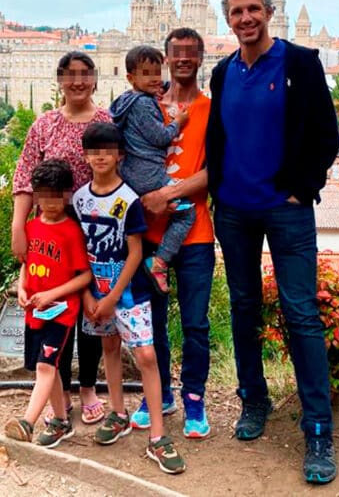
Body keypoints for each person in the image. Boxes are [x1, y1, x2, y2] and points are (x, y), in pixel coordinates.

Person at [206, 0, 339, 484]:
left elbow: (327, 135)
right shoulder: (223, 71)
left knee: (301, 313)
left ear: (269, 11)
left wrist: (300, 189)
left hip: (286, 210)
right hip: (235, 212)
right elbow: (218, 135)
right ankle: (253, 400)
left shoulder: (300, 62)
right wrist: (219, 189)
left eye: (253, 9)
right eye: (237, 11)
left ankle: (319, 430)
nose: (246, 18)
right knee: (243, 308)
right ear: (228, 18)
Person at [72, 122, 185, 475]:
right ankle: (118, 413)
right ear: (86, 155)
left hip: (129, 291)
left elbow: (135, 253)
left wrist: (112, 297)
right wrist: (90, 293)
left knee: (146, 355)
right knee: (109, 349)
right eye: (94, 150)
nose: (101, 156)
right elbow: (81, 251)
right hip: (95, 293)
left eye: (108, 150)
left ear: (120, 154)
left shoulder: (128, 200)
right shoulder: (79, 199)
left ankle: (157, 436)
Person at [12, 51, 108, 425]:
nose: (78, 81)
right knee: (53, 315)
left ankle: (88, 387)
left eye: (84, 74)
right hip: (49, 230)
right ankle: (60, 394)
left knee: (89, 314)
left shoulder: (105, 121)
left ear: (95, 78)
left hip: (94, 229)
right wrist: (19, 227)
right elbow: (24, 178)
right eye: (70, 75)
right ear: (60, 80)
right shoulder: (44, 124)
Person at [130, 28, 216, 440]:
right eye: (175, 53)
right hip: (148, 235)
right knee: (153, 323)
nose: (183, 59)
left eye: (190, 53)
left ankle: (195, 398)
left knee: (196, 325)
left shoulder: (211, 109)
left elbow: (218, 170)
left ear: (200, 58)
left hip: (195, 235)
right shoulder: (144, 106)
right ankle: (159, 393)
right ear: (165, 58)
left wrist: (169, 193)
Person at [4, 159, 92, 448]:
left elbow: (84, 277)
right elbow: (27, 264)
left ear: (67, 195)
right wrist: (22, 287)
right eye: (44, 196)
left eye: (57, 196)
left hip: (62, 312)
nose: (51, 202)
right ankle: (61, 421)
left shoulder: (71, 232)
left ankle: (27, 422)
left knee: (45, 366)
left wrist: (53, 294)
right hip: (35, 312)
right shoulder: (30, 228)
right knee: (49, 368)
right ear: (36, 196)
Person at [110, 45, 194, 294]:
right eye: (147, 73)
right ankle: (159, 261)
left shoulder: (125, 101)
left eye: (158, 72)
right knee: (187, 212)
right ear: (131, 78)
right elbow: (159, 137)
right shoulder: (144, 104)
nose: (155, 78)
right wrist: (178, 122)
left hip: (129, 172)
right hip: (148, 174)